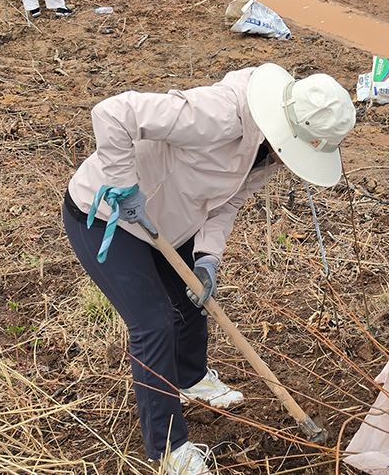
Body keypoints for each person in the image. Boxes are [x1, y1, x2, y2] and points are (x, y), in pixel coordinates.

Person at [64, 64, 356, 475]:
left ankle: (191, 378)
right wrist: (124, 185)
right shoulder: (218, 113)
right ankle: (169, 447)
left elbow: (226, 203)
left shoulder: (267, 154)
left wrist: (207, 260)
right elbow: (112, 113)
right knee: (154, 323)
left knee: (192, 303)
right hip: (109, 214)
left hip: (168, 221)